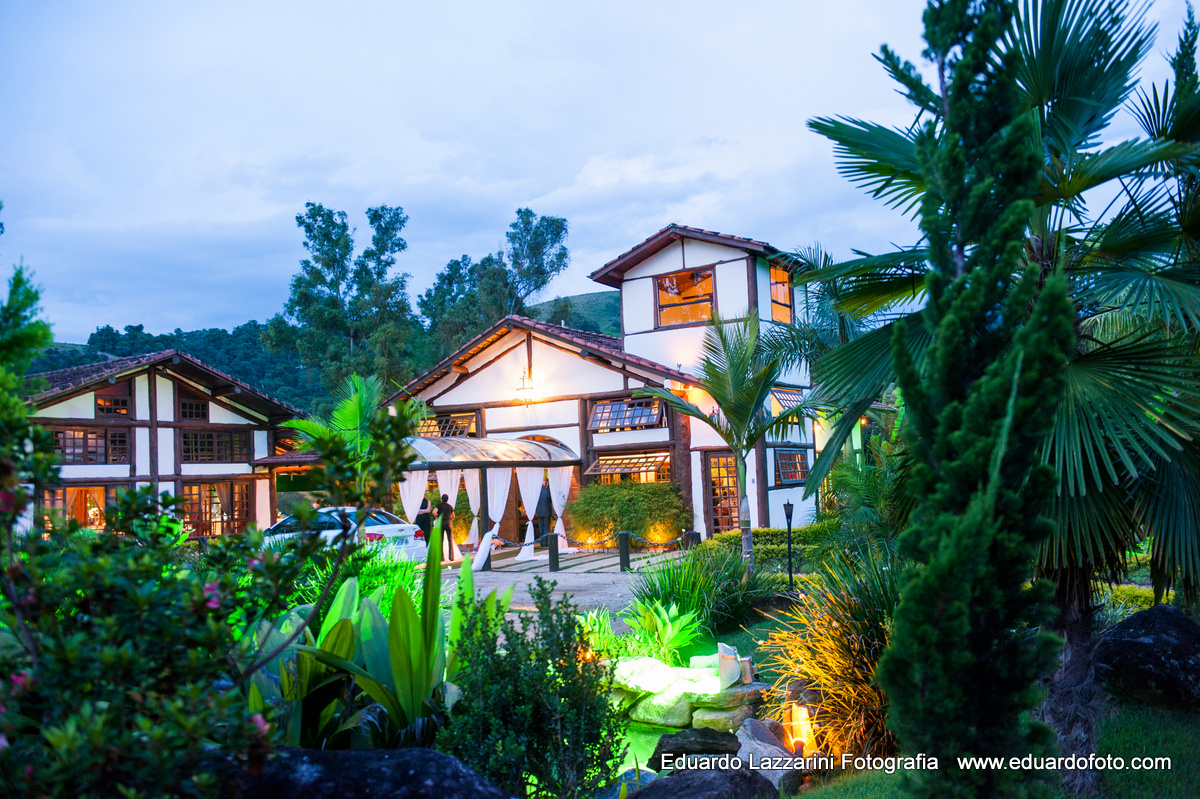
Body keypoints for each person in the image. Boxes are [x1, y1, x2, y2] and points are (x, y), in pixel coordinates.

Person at [434, 493, 456, 561]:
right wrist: (450, 520)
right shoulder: (450, 506)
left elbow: (434, 512)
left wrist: (436, 518)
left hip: (441, 522)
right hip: (448, 522)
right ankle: (451, 557)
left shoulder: (438, 505)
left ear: (441, 499)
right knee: (450, 540)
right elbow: (453, 516)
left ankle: (441, 557)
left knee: (441, 540)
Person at [535, 477, 553, 547]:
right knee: (546, 527)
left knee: (541, 527)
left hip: (539, 512)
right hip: (546, 511)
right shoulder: (547, 492)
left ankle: (542, 542)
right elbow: (551, 500)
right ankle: (545, 543)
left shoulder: (537, 493)